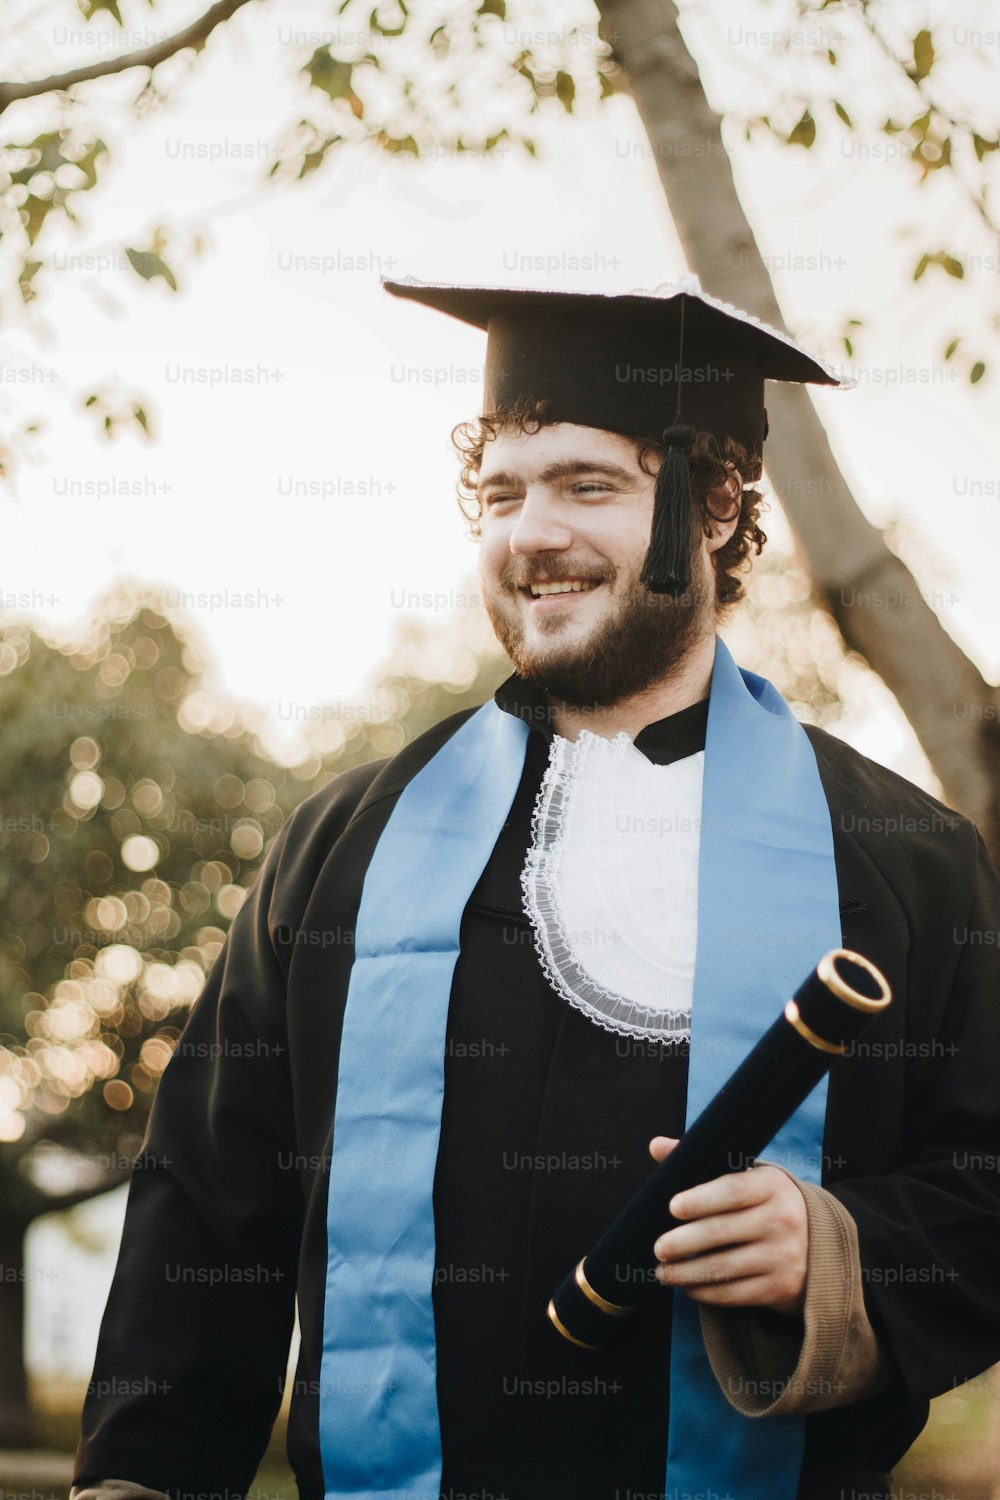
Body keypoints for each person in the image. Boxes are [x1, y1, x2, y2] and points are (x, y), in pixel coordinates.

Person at [72, 277, 1000, 1500]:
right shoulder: (343, 843)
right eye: (501, 493)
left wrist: (840, 1253)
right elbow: (203, 1209)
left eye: (586, 485)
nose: (529, 534)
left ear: (717, 505)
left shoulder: (901, 857)